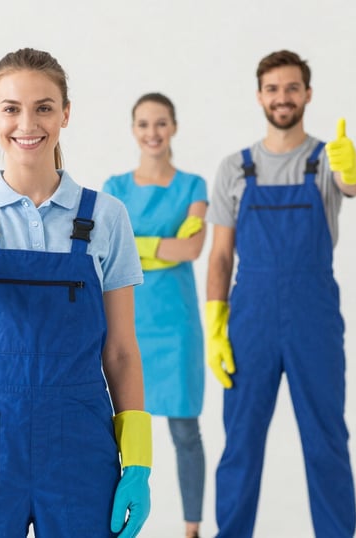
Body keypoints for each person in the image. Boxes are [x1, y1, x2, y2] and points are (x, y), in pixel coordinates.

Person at [0, 48, 153, 538]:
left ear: (65, 113)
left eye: (44, 107)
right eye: (10, 108)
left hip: (78, 444)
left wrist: (137, 459)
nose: (27, 122)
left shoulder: (106, 217)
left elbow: (120, 351)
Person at [205, 50, 356, 537]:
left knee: (326, 438)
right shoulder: (235, 167)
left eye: (292, 88)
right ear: (260, 96)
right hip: (249, 319)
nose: (282, 98)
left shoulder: (326, 159)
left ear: (308, 95)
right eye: (273, 89)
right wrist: (215, 322)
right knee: (241, 442)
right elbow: (219, 255)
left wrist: (352, 164)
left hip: (313, 317)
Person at [102, 92, 207, 538]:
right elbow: (106, 251)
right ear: (133, 130)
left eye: (161, 123)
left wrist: (137, 245)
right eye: (144, 124)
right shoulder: (114, 189)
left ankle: (192, 527)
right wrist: (161, 248)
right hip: (126, 323)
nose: (152, 133)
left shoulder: (193, 186)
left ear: (174, 127)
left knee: (185, 432)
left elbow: (193, 248)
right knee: (115, 431)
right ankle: (109, 519)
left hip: (176, 325)